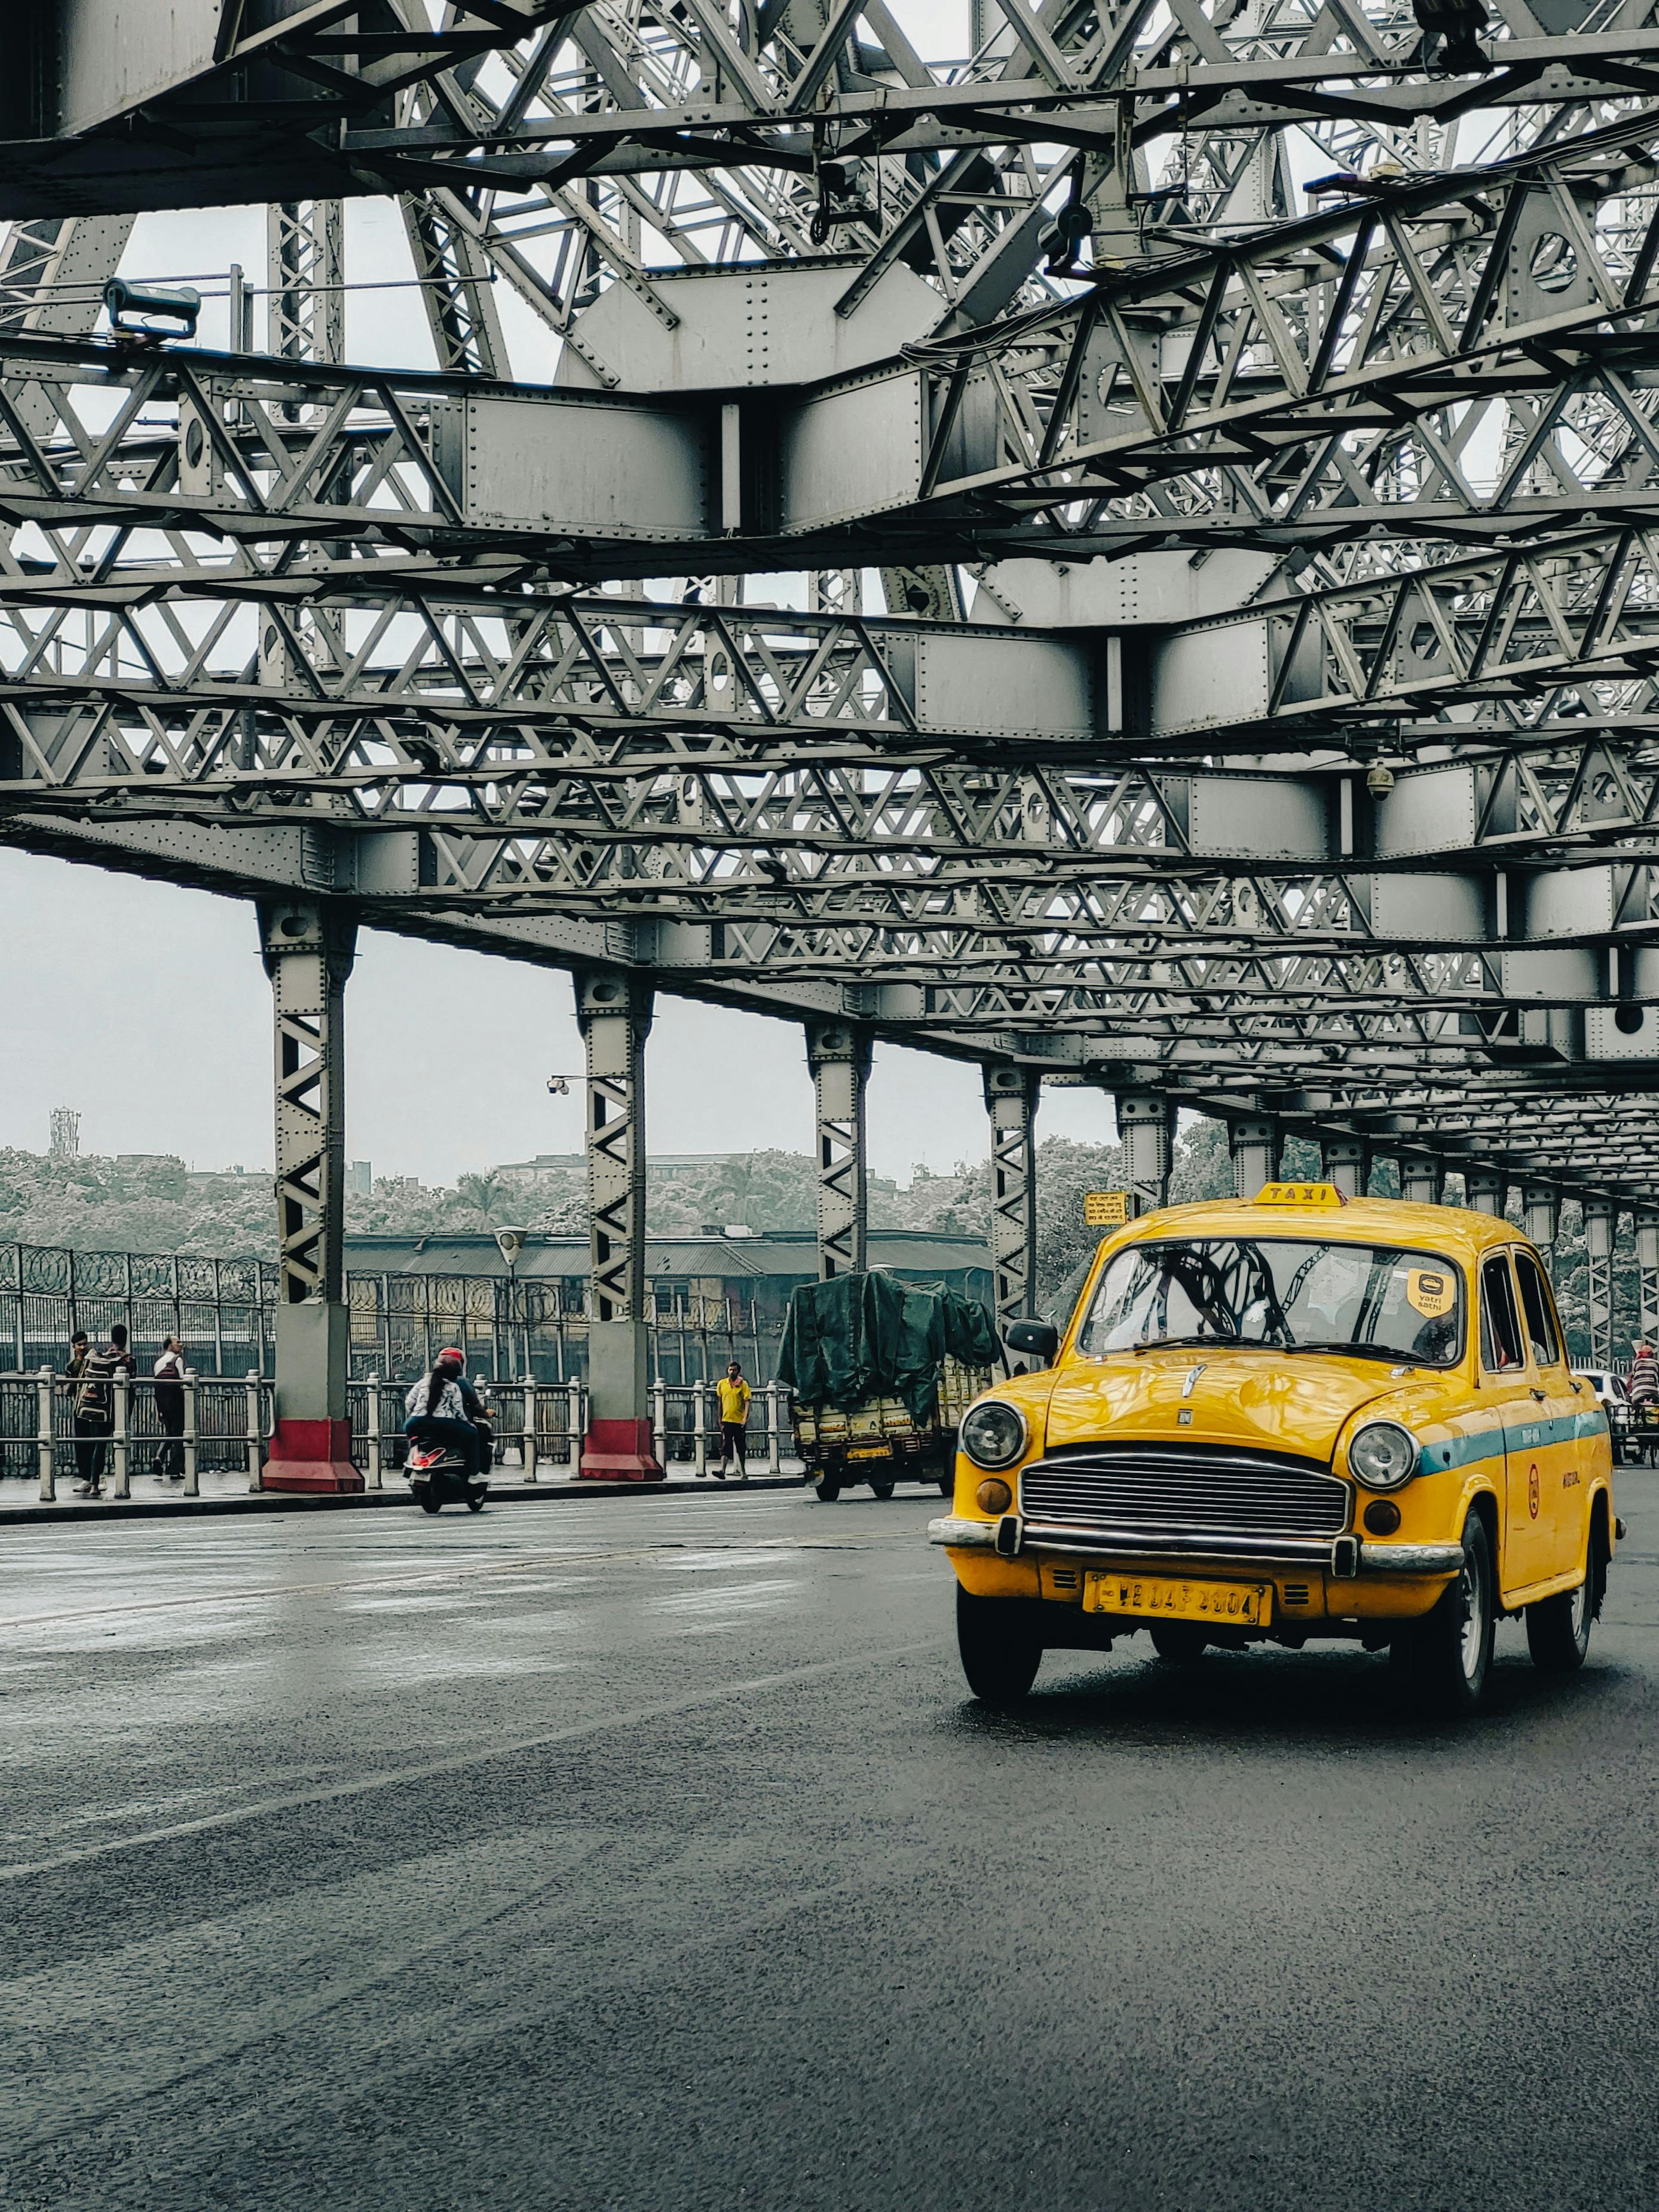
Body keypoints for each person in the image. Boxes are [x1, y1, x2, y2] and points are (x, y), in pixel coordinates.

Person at [71, 1324, 136, 1497]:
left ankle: (93, 1482)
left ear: (112, 1338)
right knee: (108, 1445)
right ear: (126, 1338)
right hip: (114, 1410)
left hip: (96, 1407)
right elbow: (131, 1387)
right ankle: (104, 1483)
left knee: (95, 1444)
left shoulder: (103, 1356)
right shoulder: (127, 1360)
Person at [403, 1348, 485, 1481]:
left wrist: (415, 1416)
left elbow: (409, 1403)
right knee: (473, 1433)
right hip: (443, 1424)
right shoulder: (453, 1386)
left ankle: (410, 1464)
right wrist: (469, 1425)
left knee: (415, 1439)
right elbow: (459, 1412)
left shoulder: (423, 1382)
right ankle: (474, 1474)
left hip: (413, 1423)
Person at [152, 1336, 186, 1479]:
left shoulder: (158, 1363)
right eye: (177, 1342)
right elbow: (184, 1381)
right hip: (176, 1402)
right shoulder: (177, 1360)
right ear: (170, 1347)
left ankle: (159, 1457)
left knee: (170, 1433)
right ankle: (175, 1468)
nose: (181, 1344)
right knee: (179, 1434)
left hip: (163, 1404)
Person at [714, 1360, 752, 1480]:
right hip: (727, 1419)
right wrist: (719, 1418)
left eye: (734, 1370)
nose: (732, 1372)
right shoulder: (722, 1384)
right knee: (726, 1445)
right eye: (730, 1370)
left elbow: (747, 1402)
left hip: (739, 1421)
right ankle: (723, 1470)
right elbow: (720, 1402)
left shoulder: (743, 1385)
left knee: (741, 1447)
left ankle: (743, 1472)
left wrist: (745, 1418)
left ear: (738, 1371)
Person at [1627, 1340, 1657, 1410]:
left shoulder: (1637, 1363)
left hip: (1638, 1393)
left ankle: (1636, 1418)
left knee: (1635, 1409)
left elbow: (1632, 1377)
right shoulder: (1656, 1364)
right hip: (1653, 1393)